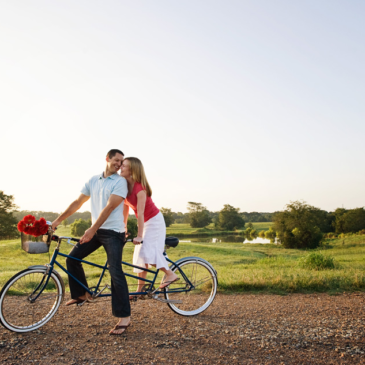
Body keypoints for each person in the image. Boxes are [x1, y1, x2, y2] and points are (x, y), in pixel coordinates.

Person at [52, 149, 131, 335]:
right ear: (107, 159)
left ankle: (124, 317)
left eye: (122, 162)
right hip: (96, 229)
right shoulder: (93, 180)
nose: (119, 165)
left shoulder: (120, 182)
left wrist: (92, 229)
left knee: (115, 271)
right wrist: (57, 221)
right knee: (72, 259)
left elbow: (110, 207)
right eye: (116, 160)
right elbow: (77, 203)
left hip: (113, 232)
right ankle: (81, 294)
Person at [120, 157, 179, 295]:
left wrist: (140, 236)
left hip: (154, 222)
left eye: (124, 165)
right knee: (140, 256)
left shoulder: (140, 188)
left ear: (132, 169)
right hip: (145, 222)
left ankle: (170, 274)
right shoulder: (124, 185)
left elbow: (140, 213)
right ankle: (139, 291)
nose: (120, 167)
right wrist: (124, 228)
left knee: (147, 253)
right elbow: (125, 208)